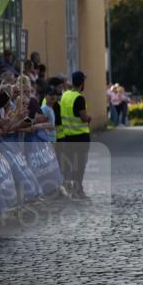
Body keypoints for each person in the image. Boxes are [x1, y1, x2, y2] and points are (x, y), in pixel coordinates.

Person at [60, 70, 91, 199]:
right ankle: (78, 190)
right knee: (80, 164)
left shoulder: (65, 95)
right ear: (82, 83)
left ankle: (72, 188)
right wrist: (89, 118)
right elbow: (83, 118)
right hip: (80, 136)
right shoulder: (79, 98)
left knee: (71, 163)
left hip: (67, 136)